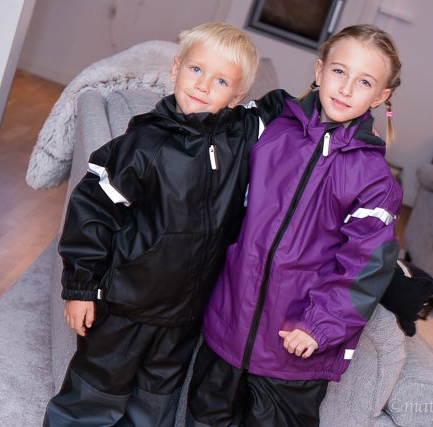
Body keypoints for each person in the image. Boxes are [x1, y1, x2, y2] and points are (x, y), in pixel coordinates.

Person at [43, 22, 287, 427]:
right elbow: (92, 211)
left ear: (236, 96)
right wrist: (81, 286)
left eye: (221, 80)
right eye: (196, 69)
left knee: (154, 404)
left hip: (185, 315)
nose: (203, 85)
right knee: (95, 393)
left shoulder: (243, 134)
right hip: (126, 305)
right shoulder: (145, 143)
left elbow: (286, 108)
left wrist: (334, 93)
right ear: (176, 68)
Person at [186, 24, 404, 427]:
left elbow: (366, 267)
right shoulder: (274, 128)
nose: (346, 89)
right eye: (339, 72)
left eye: (364, 82)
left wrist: (320, 325)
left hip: (294, 348)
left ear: (380, 96)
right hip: (227, 325)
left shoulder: (374, 181)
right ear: (320, 71)